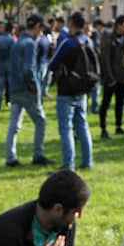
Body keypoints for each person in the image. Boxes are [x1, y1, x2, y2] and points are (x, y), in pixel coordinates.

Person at [5, 13, 55, 168]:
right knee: (41, 121)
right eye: (42, 30)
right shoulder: (31, 44)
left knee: (14, 125)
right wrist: (35, 88)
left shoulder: (17, 42)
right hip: (26, 91)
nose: (42, 33)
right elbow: (29, 69)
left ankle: (10, 157)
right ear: (38, 27)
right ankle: (38, 155)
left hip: (14, 89)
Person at [49, 12, 94, 171]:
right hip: (83, 90)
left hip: (66, 90)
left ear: (72, 24)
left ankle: (69, 165)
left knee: (66, 128)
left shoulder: (68, 43)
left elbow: (52, 64)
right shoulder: (89, 41)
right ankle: (87, 161)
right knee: (82, 125)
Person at [99, 15, 124, 138]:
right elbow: (105, 60)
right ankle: (103, 128)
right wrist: (109, 77)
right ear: (119, 25)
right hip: (112, 78)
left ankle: (119, 126)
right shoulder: (108, 39)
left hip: (123, 77)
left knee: (120, 103)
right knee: (106, 103)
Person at [0, 21, 16, 111]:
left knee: (0, 86)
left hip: (0, 63)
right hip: (10, 64)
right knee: (10, 85)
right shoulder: (12, 39)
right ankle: (11, 103)